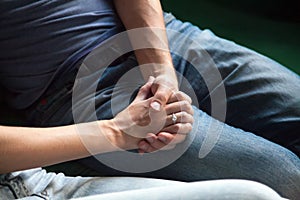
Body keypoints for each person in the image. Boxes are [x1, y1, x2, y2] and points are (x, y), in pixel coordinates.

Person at [0, 0, 299, 199]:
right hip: (75, 88)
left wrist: (159, 71)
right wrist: (117, 132)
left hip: (164, 35)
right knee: (287, 179)